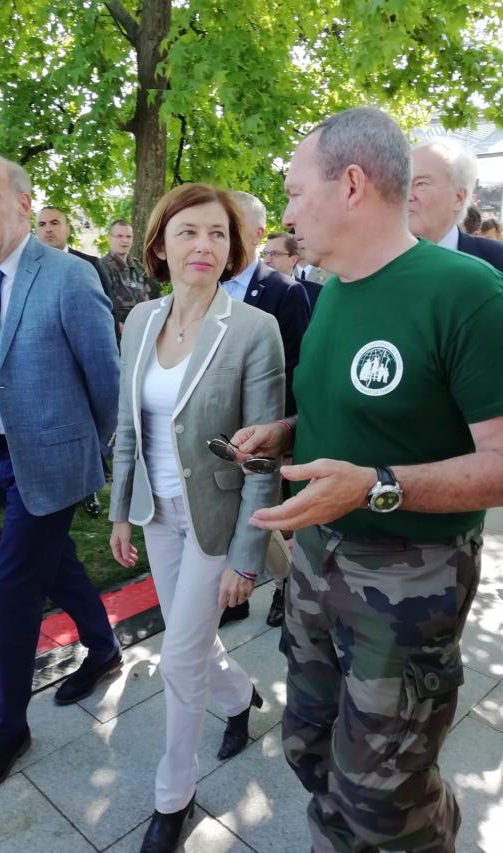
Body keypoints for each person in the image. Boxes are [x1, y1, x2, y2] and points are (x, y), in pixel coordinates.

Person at [229, 107, 503, 852]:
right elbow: (347, 414)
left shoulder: (466, 291)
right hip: (318, 569)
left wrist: (375, 484)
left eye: (292, 191)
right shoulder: (335, 289)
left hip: (409, 585)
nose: (283, 214)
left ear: (351, 184)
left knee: (387, 793)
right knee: (309, 747)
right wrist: (284, 435)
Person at [109, 183, 285, 853]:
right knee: (194, 644)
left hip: (215, 516)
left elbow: (263, 456)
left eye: (217, 233)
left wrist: (247, 554)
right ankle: (241, 698)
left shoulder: (253, 329)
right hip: (156, 512)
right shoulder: (140, 321)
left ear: (234, 247)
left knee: (178, 657)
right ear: (160, 244)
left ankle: (171, 797)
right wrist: (123, 510)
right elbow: (130, 427)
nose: (203, 245)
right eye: (188, 232)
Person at [0, 154, 121, 804]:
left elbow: (107, 384)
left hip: (50, 460)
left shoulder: (70, 278)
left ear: (24, 203)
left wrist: (85, 451)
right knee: (56, 566)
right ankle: (103, 647)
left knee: (10, 591)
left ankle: (6, 728)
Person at [221, 192, 309, 628]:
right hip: (220, 430)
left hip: (265, 428)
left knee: (267, 512)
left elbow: (295, 367)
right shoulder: (206, 283)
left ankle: (284, 585)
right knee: (227, 512)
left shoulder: (283, 291)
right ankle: (234, 595)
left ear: (257, 233)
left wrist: (284, 433)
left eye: (232, 225)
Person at [35, 203, 118, 517]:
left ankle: (91, 487)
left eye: (54, 222)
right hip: (49, 368)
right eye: (41, 224)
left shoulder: (90, 264)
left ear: (67, 228)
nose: (48, 229)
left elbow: (106, 312)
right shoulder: (28, 269)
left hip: (87, 359)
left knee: (89, 423)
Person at [410, 138, 503, 272]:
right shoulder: (378, 261)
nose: (407, 195)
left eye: (421, 184)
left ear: (458, 198)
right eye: (403, 183)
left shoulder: (497, 261)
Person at [100, 218, 158, 327]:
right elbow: (101, 305)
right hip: (118, 329)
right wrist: (118, 326)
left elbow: (146, 298)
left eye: (128, 237)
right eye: (119, 236)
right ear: (110, 238)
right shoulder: (102, 267)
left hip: (142, 326)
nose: (125, 241)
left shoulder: (138, 266)